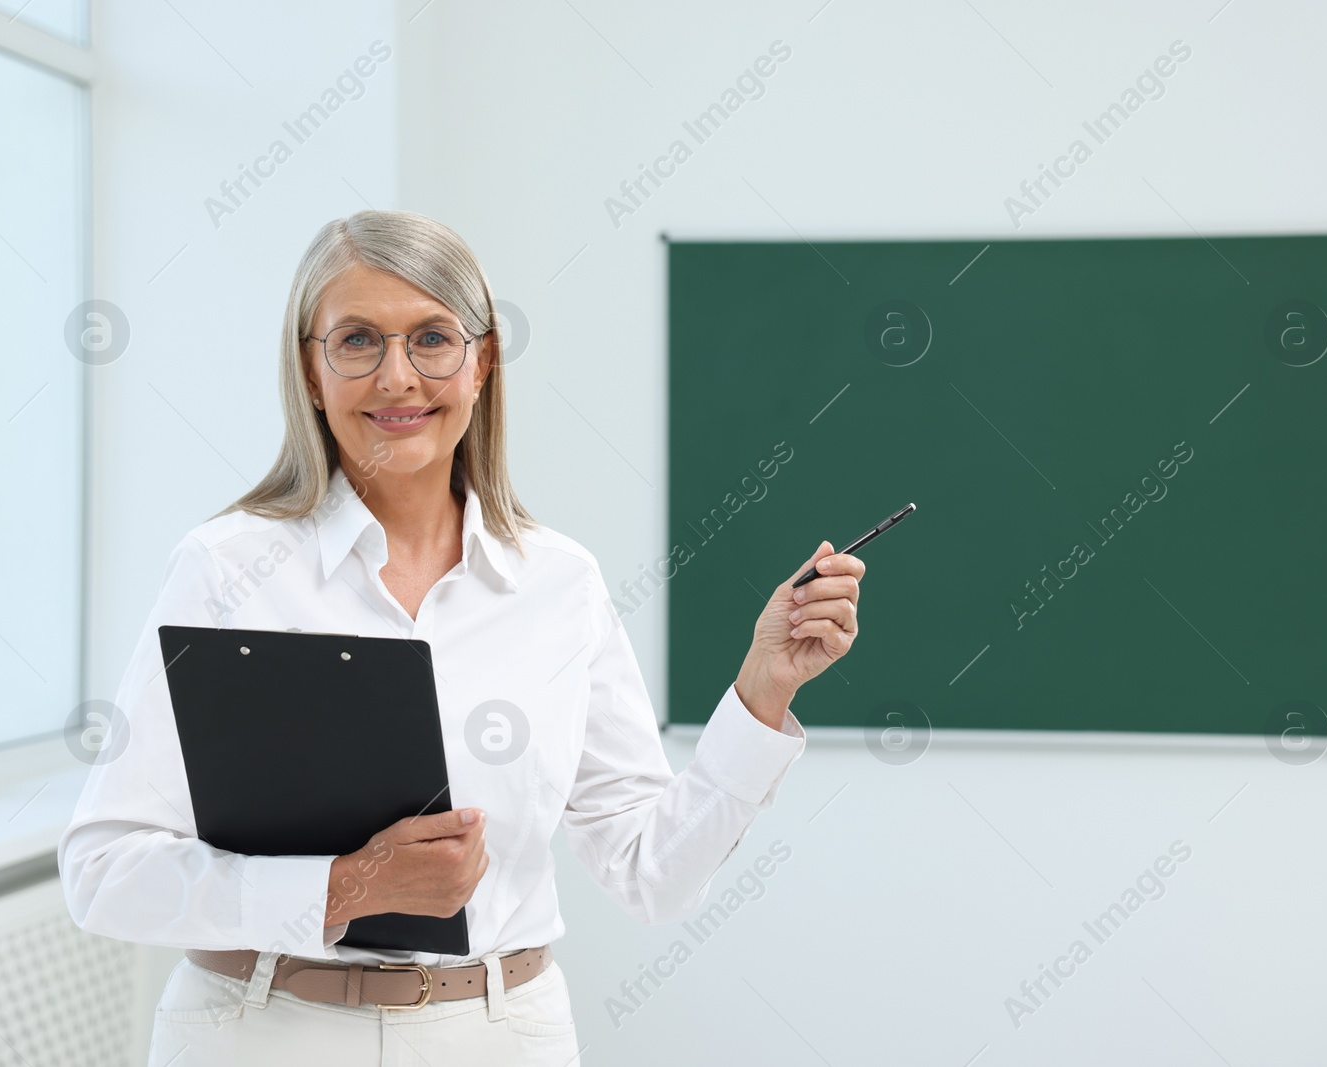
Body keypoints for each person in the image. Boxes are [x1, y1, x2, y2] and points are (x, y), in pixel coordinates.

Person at [56, 210, 863, 1065]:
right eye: (358, 339)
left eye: (433, 338)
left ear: (481, 364)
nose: (397, 377)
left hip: (500, 1033)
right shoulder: (227, 569)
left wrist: (763, 691)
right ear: (311, 369)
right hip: (260, 1029)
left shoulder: (560, 583)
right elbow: (104, 871)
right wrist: (340, 888)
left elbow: (652, 874)